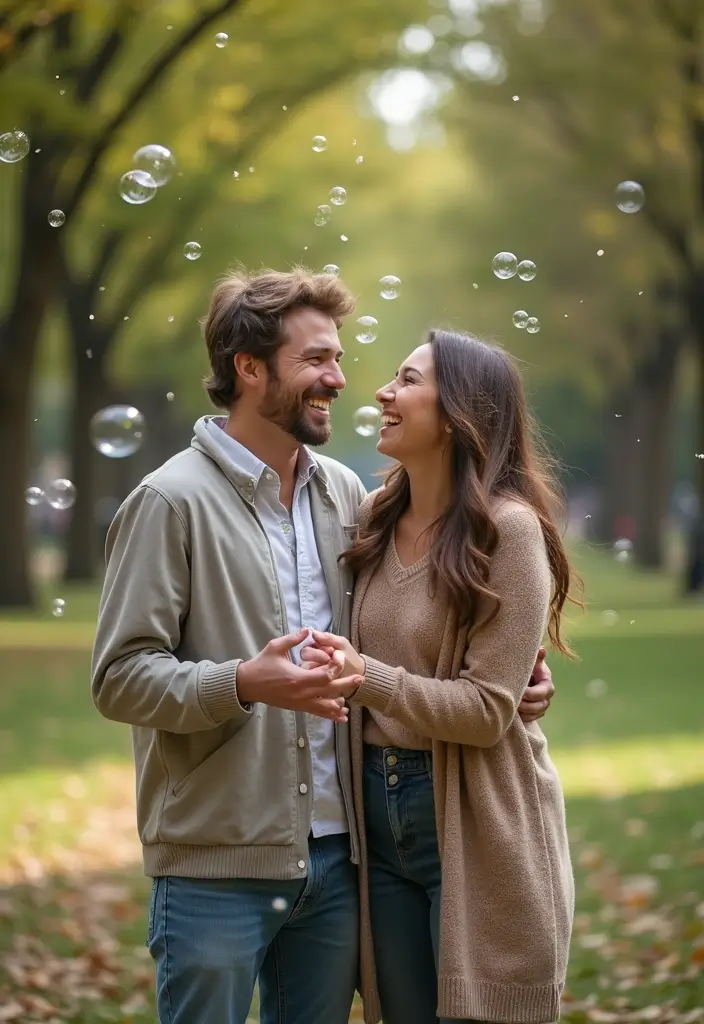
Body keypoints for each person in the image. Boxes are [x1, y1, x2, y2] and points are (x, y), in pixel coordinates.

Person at [91, 269, 556, 1024]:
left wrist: (513, 684)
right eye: (316, 360)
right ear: (249, 367)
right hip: (216, 862)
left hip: (341, 862)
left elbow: (435, 618)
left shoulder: (350, 498)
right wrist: (242, 681)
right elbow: (118, 678)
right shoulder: (168, 501)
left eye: (339, 358)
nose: (340, 380)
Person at [301, 329, 577, 1024]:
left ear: (458, 413)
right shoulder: (372, 520)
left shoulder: (506, 532)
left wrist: (367, 677)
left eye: (407, 380)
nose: (383, 394)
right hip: (375, 808)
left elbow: (487, 710)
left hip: (477, 814)